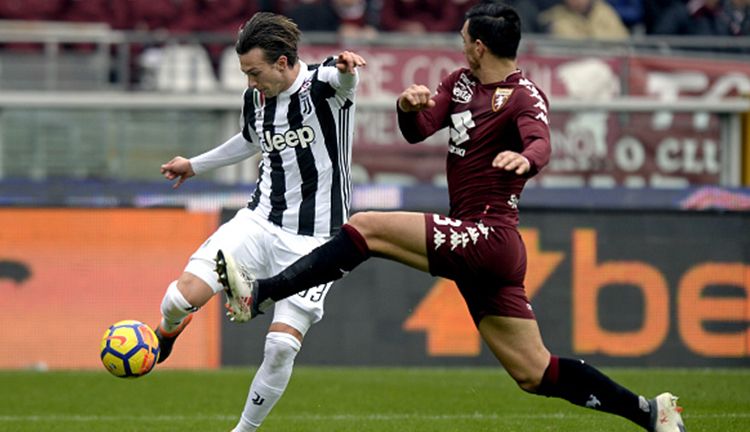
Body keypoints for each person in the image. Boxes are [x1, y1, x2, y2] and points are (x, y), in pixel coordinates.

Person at [215, 4, 687, 432]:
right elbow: (418, 131)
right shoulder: (459, 83)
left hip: (489, 236)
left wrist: (528, 160)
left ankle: (262, 293)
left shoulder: (523, 96)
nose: (460, 45)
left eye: (464, 39)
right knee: (534, 372)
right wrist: (407, 107)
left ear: (479, 45)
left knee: (367, 227)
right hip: (473, 238)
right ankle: (650, 412)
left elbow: (540, 141)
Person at [153, 12, 366, 432]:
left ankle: (243, 431)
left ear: (284, 63)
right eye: (244, 73)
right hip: (259, 222)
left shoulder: (325, 86)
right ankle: (166, 333)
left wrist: (346, 69)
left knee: (281, 345)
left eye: (255, 72)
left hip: (318, 242)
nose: (250, 82)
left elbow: (343, 79)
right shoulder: (256, 99)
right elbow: (250, 140)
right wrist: (193, 165)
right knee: (179, 299)